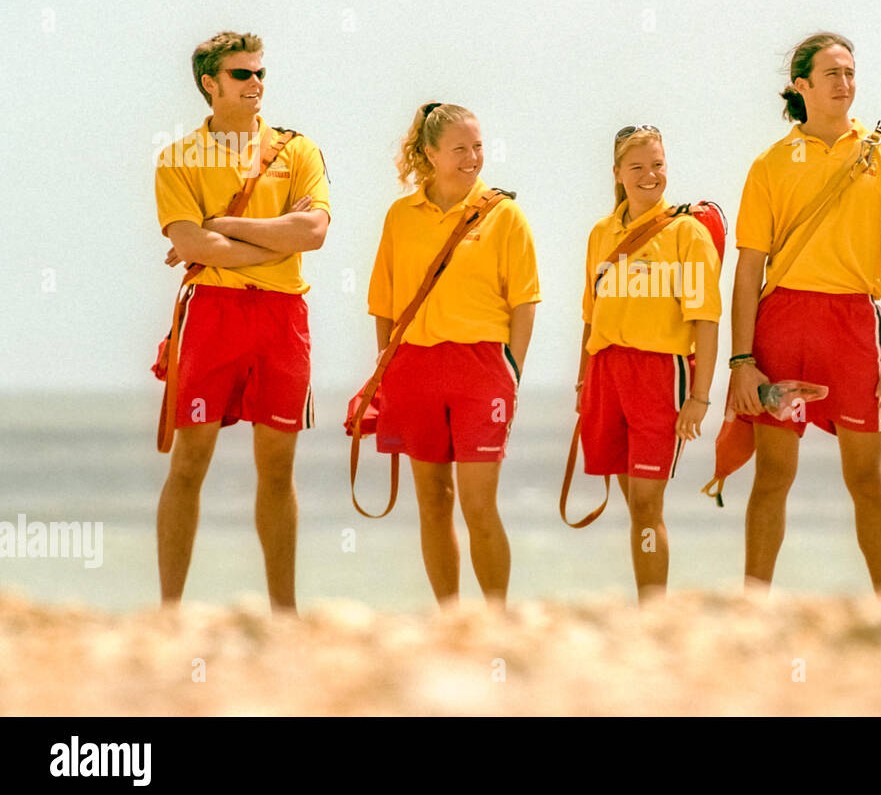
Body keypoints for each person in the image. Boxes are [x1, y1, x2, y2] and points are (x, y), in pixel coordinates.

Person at [730, 32, 881, 595]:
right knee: (773, 475)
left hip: (853, 325)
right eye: (832, 74)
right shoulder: (770, 163)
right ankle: (753, 603)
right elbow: (748, 269)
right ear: (802, 86)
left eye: (850, 73)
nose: (845, 83)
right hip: (783, 323)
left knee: (865, 476)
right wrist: (742, 359)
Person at [155, 31, 331, 613]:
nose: (256, 84)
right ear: (210, 83)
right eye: (241, 75)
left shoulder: (298, 149)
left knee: (277, 469)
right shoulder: (177, 158)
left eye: (260, 73)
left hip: (283, 317)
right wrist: (266, 239)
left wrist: (223, 230)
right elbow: (187, 241)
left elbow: (313, 233)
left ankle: (285, 614)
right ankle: (170, 613)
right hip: (212, 315)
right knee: (189, 461)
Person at [367, 101, 540, 608]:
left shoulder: (505, 214)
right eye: (460, 149)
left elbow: (525, 301)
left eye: (478, 147)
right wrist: (386, 371)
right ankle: (450, 619)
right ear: (430, 153)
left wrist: (512, 372)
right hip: (414, 368)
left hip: (482, 369)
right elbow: (384, 302)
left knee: (478, 503)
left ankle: (495, 616)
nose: (472, 158)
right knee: (432, 502)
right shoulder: (400, 216)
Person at [575, 126, 721, 601]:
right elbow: (589, 316)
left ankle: (654, 610)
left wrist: (699, 397)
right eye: (636, 167)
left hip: (660, 375)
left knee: (646, 500)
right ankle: (646, 600)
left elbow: (706, 320)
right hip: (606, 373)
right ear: (617, 173)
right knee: (631, 501)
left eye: (657, 164)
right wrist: (583, 381)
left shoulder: (687, 233)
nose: (649, 175)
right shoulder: (601, 233)